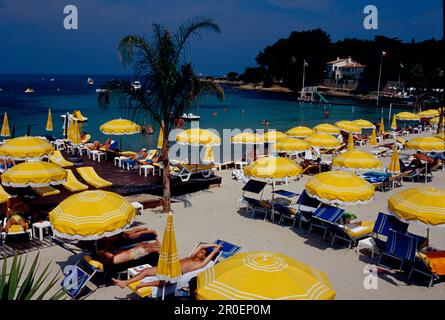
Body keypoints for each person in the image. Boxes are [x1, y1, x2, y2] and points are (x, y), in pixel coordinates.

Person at [112, 243, 222, 290]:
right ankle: (124, 283)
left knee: (163, 283)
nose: (200, 252)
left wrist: (216, 250)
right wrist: (212, 245)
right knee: (145, 271)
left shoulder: (201, 263)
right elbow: (201, 245)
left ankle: (144, 285)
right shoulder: (192, 257)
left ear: (204, 257)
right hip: (169, 266)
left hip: (175, 273)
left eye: (202, 253)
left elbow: (210, 256)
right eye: (200, 251)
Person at [96, 227, 160, 265]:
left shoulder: (109, 254)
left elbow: (112, 253)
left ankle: (158, 245)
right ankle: (160, 248)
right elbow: (112, 258)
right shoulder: (113, 259)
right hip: (132, 254)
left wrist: (104, 251)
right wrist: (104, 252)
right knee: (148, 248)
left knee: (144, 245)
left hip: (130, 251)